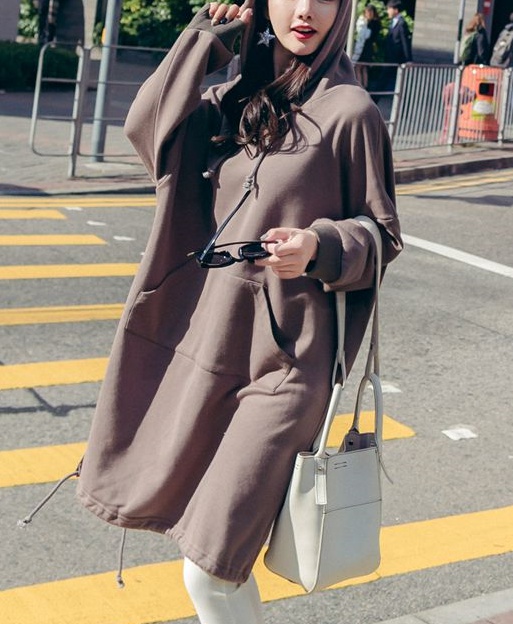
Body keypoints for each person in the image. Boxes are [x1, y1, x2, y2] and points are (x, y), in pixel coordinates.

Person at [76, 0, 402, 621]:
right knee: (205, 563)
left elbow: (382, 235)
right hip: (210, 344)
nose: (305, 10)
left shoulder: (351, 111)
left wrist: (320, 246)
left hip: (286, 369)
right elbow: (146, 128)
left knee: (211, 566)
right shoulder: (230, 102)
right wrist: (207, 37)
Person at [378, 0, 412, 96]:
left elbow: (405, 42)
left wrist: (408, 59)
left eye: (389, 9)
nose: (387, 11)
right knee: (385, 80)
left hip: (395, 59)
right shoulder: (393, 22)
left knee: (385, 80)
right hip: (389, 57)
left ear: (396, 10)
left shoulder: (401, 23)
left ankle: (374, 99)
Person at [351, 3, 381, 88]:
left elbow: (367, 35)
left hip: (365, 48)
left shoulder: (371, 23)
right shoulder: (376, 23)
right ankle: (364, 86)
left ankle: (360, 86)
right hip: (368, 49)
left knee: (358, 67)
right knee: (363, 68)